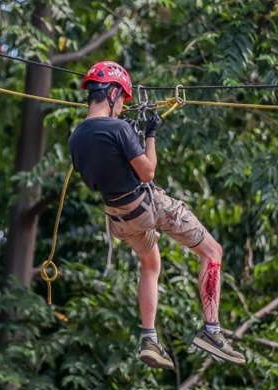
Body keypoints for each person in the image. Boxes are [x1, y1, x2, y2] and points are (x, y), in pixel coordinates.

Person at [68, 61, 246, 369]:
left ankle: (149, 338)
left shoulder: (76, 138)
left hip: (118, 217)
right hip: (146, 206)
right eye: (122, 100)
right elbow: (148, 172)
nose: (122, 107)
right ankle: (212, 331)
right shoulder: (119, 128)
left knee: (150, 264)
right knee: (212, 251)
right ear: (112, 93)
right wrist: (149, 135)